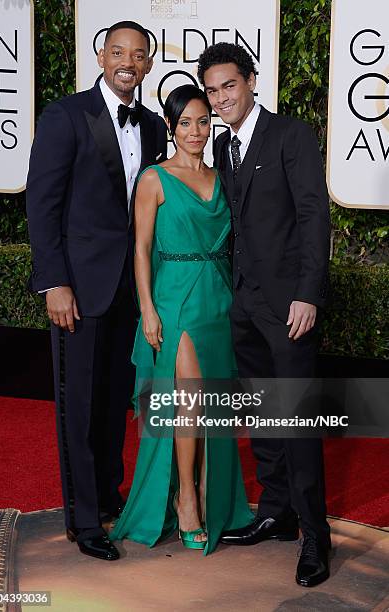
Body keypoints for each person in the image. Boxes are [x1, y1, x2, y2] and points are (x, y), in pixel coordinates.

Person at [26, 21, 167, 561]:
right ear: (101, 56)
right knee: (78, 405)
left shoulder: (154, 127)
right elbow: (43, 204)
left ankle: (109, 499)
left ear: (148, 64)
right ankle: (83, 520)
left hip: (132, 290)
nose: (127, 61)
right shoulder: (66, 115)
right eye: (118, 52)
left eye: (137, 54)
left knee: (113, 404)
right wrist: (54, 282)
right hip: (78, 290)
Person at [197, 43, 331, 586]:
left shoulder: (289, 135)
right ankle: (277, 512)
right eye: (212, 90)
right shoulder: (221, 147)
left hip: (288, 306)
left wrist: (309, 293)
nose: (221, 98)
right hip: (244, 307)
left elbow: (312, 214)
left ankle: (315, 538)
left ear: (252, 81)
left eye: (229, 85)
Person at [109, 84, 253, 554]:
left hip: (218, 300)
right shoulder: (154, 178)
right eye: (185, 122)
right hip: (174, 300)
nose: (196, 131)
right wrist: (147, 308)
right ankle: (186, 497)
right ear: (170, 127)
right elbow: (141, 249)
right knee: (187, 400)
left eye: (203, 121)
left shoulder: (223, 175)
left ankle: (211, 493)